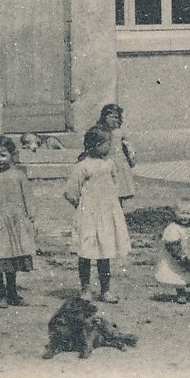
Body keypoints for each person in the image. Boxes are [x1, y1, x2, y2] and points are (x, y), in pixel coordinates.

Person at [65, 128, 130, 303]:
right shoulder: (82, 167)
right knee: (85, 253)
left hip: (107, 214)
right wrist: (83, 207)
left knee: (105, 253)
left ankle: (105, 290)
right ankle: (85, 289)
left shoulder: (109, 164)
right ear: (96, 145)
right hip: (88, 216)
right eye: (107, 143)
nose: (110, 146)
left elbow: (115, 185)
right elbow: (71, 192)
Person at [0, 136, 35, 307]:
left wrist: (32, 219)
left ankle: (12, 293)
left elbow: (28, 198)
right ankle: (0, 294)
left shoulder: (19, 176)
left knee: (12, 260)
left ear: (11, 154)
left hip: (16, 222)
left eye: (3, 155)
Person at [155, 200, 190, 303]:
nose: (185, 217)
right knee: (178, 274)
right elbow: (172, 245)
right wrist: (181, 256)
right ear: (175, 213)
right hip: (178, 255)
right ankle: (181, 293)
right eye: (181, 213)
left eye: (188, 213)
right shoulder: (173, 228)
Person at [90, 105, 137, 207]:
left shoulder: (119, 131)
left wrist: (130, 153)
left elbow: (127, 145)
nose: (114, 120)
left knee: (119, 189)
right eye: (111, 117)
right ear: (104, 117)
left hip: (119, 162)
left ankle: (118, 209)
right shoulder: (100, 131)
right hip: (106, 160)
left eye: (116, 117)